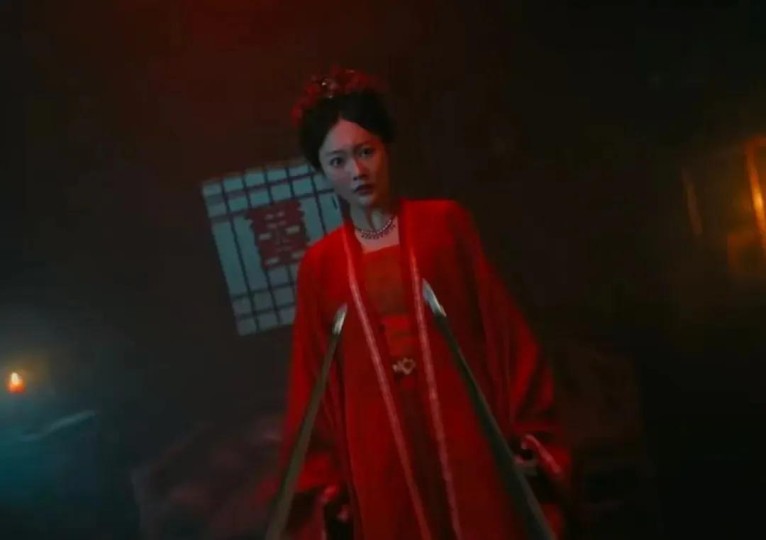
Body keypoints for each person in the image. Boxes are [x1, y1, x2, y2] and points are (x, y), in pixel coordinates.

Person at [275, 66, 570, 539]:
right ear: (322, 170)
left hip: (463, 432)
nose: (357, 172)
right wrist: (327, 482)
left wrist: (527, 433)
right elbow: (313, 383)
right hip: (380, 456)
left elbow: (502, 333)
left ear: (386, 148)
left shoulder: (444, 225)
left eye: (366, 152)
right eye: (337, 161)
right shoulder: (320, 266)